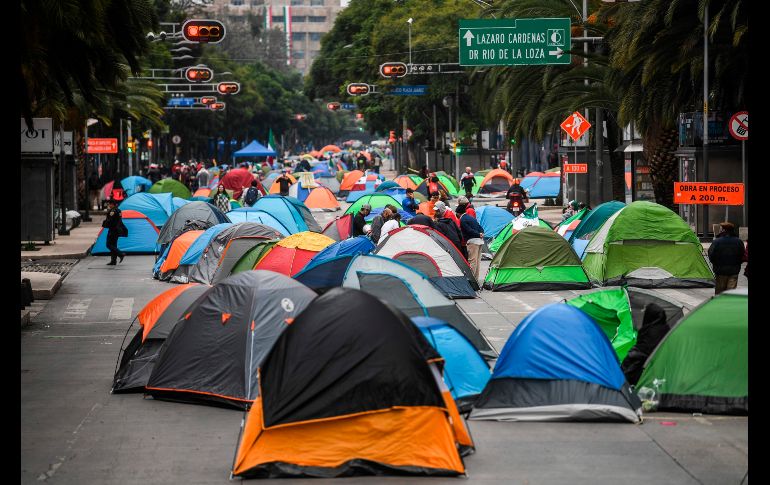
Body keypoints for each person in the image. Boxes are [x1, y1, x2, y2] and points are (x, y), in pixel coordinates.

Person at [621, 303, 671, 386]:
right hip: (660, 365)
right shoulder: (665, 328)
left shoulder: (651, 332)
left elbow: (643, 350)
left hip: (645, 365)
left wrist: (631, 354)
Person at [707, 222, 745, 294]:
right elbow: (742, 255)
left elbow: (711, 254)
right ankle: (729, 304)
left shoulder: (717, 241)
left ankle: (720, 304)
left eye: (721, 229)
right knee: (731, 292)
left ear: (723, 230)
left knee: (720, 292)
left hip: (720, 271)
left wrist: (715, 264)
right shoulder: (739, 241)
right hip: (734, 271)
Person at [457, 203, 484, 280]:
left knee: (472, 261)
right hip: (480, 241)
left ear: (458, 213)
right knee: (477, 261)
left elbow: (468, 230)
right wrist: (481, 234)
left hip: (472, 242)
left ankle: (471, 280)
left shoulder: (462, 219)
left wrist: (478, 234)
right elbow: (480, 227)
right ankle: (476, 279)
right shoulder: (471, 218)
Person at [102, 199, 127, 265]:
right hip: (117, 230)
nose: (109, 205)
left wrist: (105, 224)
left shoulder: (112, 211)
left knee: (109, 244)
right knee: (114, 245)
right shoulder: (119, 210)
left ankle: (120, 254)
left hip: (113, 230)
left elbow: (110, 221)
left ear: (112, 204)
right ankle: (113, 261)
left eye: (109, 204)